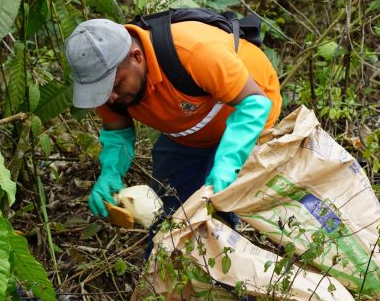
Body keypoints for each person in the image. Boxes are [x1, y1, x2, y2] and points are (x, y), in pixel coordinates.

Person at [64, 17, 282, 220]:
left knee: (216, 216)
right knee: (168, 213)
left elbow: (254, 104)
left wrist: (227, 164)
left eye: (115, 85)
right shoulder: (107, 84)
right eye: (100, 91)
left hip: (248, 117)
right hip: (187, 130)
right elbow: (117, 131)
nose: (110, 97)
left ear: (137, 57)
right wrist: (111, 172)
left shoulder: (194, 52)